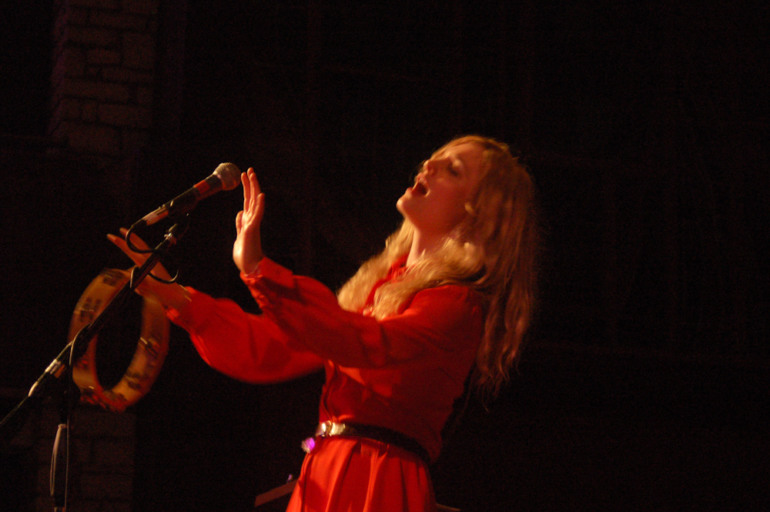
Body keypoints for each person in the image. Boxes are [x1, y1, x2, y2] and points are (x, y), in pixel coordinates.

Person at [109, 135, 539, 511]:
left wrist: (258, 269)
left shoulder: (457, 304)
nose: (429, 164)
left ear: (477, 216)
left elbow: (364, 344)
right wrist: (178, 298)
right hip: (328, 469)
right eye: (435, 156)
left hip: (377, 477)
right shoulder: (381, 286)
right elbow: (277, 348)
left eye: (453, 169)